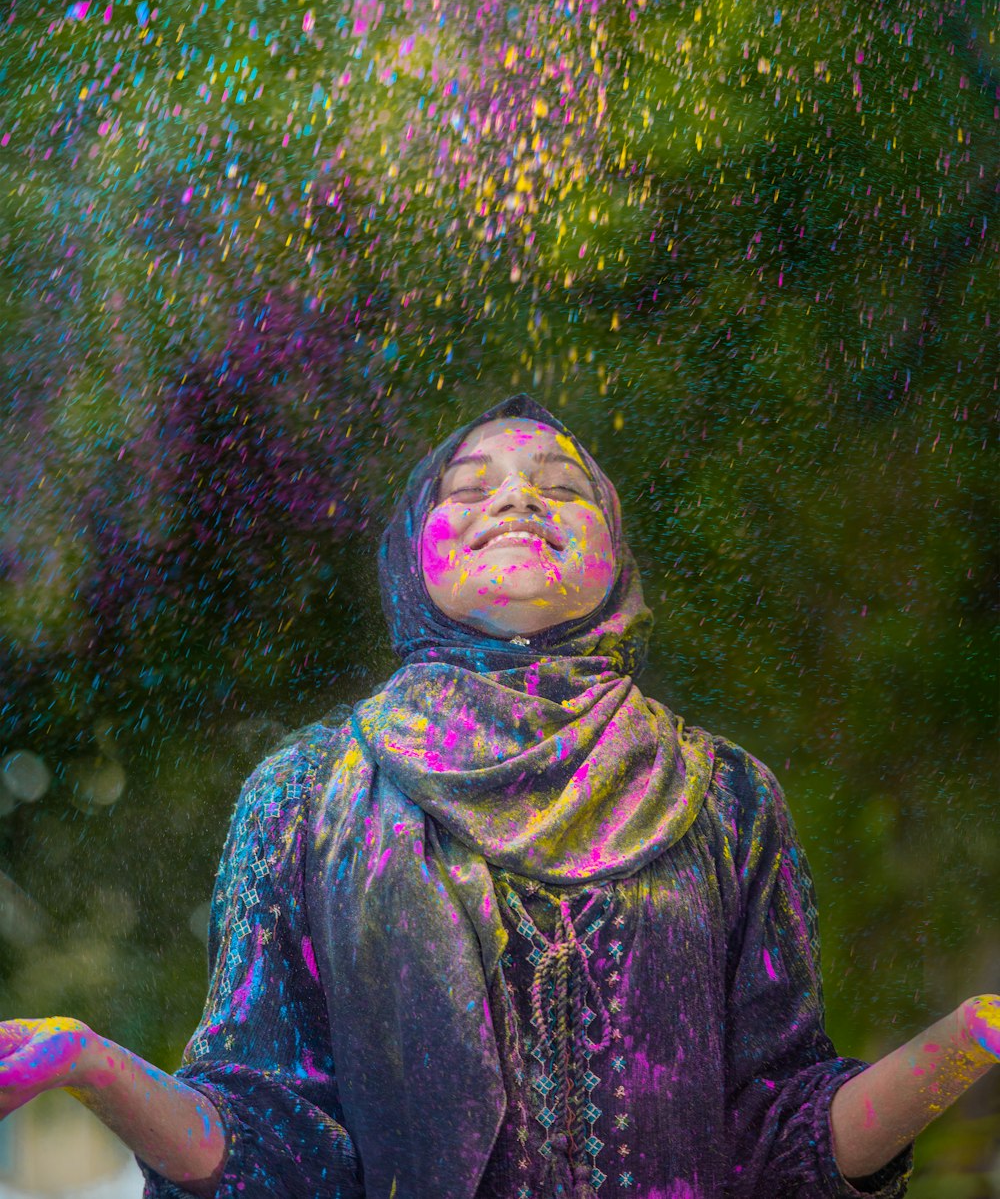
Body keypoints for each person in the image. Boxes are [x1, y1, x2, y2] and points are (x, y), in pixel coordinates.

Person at [0, 393, 997, 1199]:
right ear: (408, 556)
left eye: (561, 487)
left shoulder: (727, 796)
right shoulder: (307, 794)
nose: (516, 500)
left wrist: (969, 1041)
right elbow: (267, 1146)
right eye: (468, 488)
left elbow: (782, 1139)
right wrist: (84, 1061)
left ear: (616, 559)